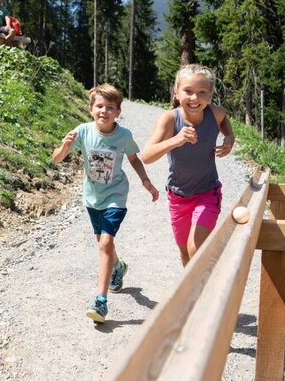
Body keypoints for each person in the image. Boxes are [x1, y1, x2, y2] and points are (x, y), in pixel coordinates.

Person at [52, 84, 159, 324]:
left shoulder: (124, 136)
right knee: (104, 245)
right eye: (99, 106)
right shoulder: (82, 131)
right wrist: (65, 147)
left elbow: (134, 158)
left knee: (105, 243)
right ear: (91, 109)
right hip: (92, 197)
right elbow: (56, 158)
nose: (104, 111)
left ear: (118, 111)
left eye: (110, 107)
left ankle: (100, 301)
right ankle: (118, 267)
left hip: (115, 196)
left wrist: (145, 181)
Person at [141, 64, 235, 266]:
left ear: (210, 95)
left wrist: (229, 136)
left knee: (195, 247)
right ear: (176, 92)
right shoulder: (170, 119)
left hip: (207, 193)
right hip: (178, 197)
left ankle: (207, 292)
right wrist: (176, 140)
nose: (195, 98)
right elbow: (146, 156)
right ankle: (193, 295)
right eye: (188, 91)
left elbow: (224, 117)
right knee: (185, 253)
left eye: (202, 92)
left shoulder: (214, 114)